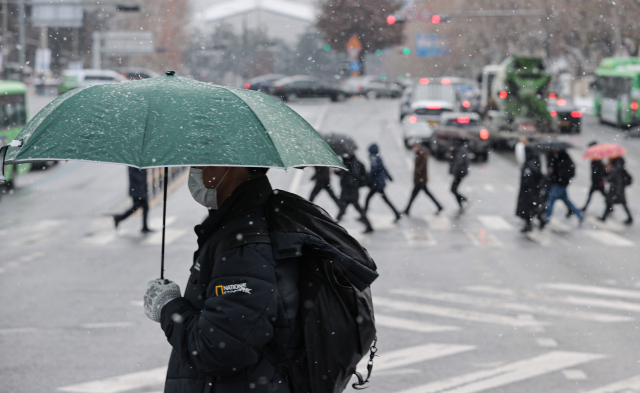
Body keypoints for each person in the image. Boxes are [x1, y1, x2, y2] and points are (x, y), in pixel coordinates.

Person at [143, 167, 299, 393]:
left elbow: (217, 349)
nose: (194, 171)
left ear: (230, 167)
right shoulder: (241, 224)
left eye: (201, 162)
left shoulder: (244, 247)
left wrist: (167, 306)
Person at [403, 140, 443, 216]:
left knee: (414, 195)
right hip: (419, 179)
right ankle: (439, 206)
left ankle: (407, 209)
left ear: (419, 146)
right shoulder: (419, 153)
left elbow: (423, 166)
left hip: (420, 180)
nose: (414, 148)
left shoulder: (422, 154)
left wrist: (416, 170)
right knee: (418, 195)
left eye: (415, 146)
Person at [543, 149, 583, 226]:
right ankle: (579, 214)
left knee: (551, 200)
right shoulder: (560, 158)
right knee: (567, 201)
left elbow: (561, 172)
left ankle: (547, 218)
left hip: (559, 184)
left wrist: (554, 173)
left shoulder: (562, 159)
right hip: (561, 184)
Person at [336, 155, 374, 233]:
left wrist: (347, 182)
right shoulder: (349, 162)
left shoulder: (352, 164)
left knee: (343, 209)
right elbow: (345, 174)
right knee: (346, 209)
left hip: (350, 192)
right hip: (350, 191)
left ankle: (333, 227)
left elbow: (353, 176)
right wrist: (337, 172)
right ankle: (369, 225)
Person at [363, 143, 401, 221]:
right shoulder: (378, 157)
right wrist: (389, 177)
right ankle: (396, 213)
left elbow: (374, 170)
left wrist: (367, 177)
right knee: (384, 199)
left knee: (368, 198)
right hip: (379, 183)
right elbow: (383, 168)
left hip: (377, 184)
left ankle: (363, 215)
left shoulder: (374, 158)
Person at [113, 167, 152, 232]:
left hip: (141, 189)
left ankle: (145, 226)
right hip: (137, 190)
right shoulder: (133, 162)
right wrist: (143, 177)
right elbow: (135, 175)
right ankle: (118, 218)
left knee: (145, 207)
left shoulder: (139, 161)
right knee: (136, 207)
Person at [516, 145, 544, 232]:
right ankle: (539, 220)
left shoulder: (530, 164)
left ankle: (530, 224)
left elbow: (529, 179)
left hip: (529, 192)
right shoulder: (533, 161)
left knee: (529, 208)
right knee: (533, 208)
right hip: (532, 191)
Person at [601, 157, 633, 225]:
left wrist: (606, 176)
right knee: (621, 203)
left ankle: (604, 217)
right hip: (619, 188)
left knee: (610, 201)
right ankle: (630, 218)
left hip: (616, 188)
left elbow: (612, 177)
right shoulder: (620, 166)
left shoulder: (616, 167)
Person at [581, 141, 607, 213]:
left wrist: (599, 180)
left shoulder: (597, 159)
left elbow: (600, 171)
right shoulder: (595, 158)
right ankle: (609, 206)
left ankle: (609, 206)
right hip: (596, 181)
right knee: (601, 195)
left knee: (601, 195)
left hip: (597, 182)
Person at [449, 138, 471, 214]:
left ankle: (465, 200)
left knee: (453, 189)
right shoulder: (461, 150)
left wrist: (454, 172)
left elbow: (458, 162)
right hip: (460, 172)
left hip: (459, 173)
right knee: (453, 189)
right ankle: (461, 205)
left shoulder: (460, 150)